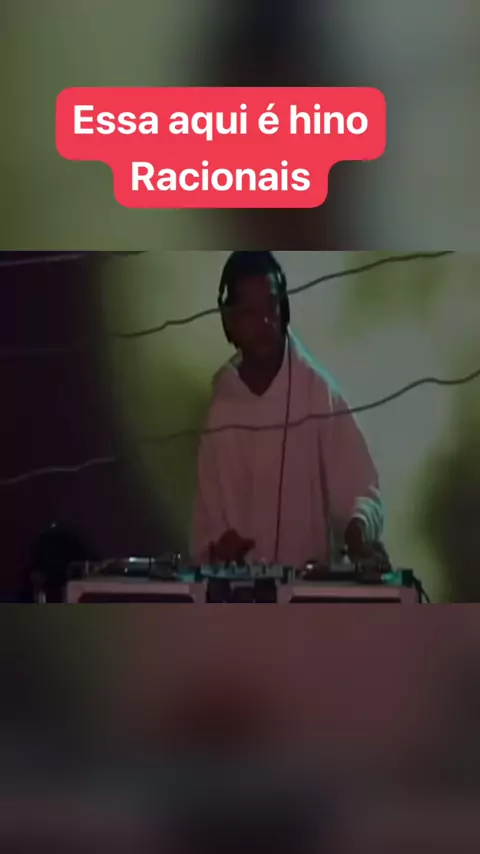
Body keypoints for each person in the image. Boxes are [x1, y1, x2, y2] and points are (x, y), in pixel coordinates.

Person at [191, 251, 385, 568]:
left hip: (308, 592)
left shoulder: (317, 392)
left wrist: (357, 533)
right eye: (250, 311)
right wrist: (218, 548)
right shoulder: (221, 408)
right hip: (238, 594)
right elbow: (205, 531)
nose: (265, 321)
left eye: (271, 306)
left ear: (285, 308)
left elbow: (362, 493)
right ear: (229, 321)